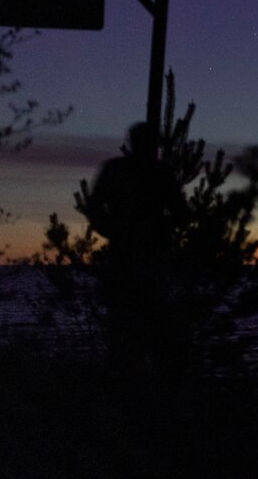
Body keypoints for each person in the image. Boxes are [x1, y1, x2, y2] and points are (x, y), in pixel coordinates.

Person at [80, 122, 187, 374]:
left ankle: (137, 388)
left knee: (141, 327)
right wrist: (117, 231)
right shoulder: (121, 170)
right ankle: (130, 388)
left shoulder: (157, 173)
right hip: (130, 260)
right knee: (128, 328)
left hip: (147, 260)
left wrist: (158, 230)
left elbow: (181, 214)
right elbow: (95, 209)